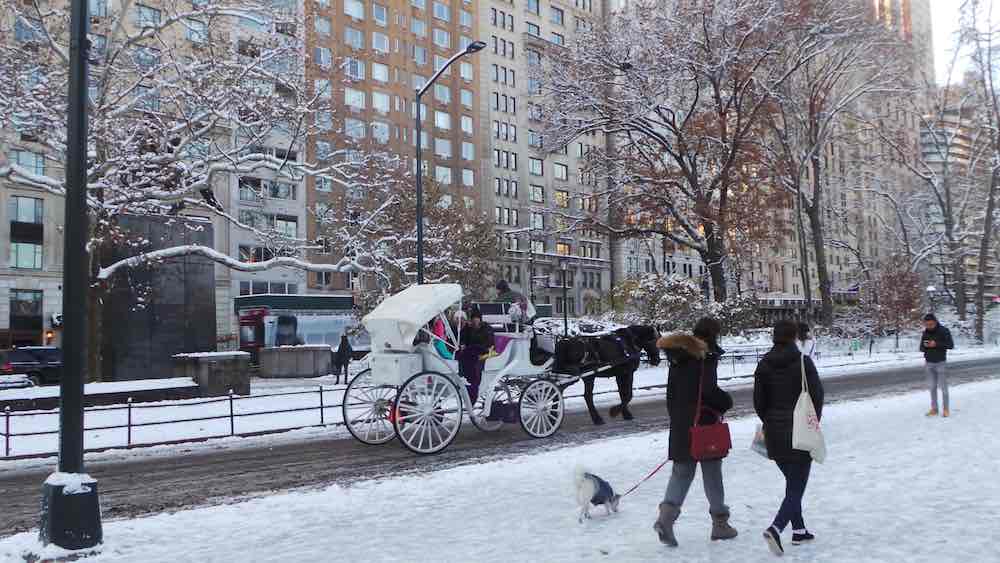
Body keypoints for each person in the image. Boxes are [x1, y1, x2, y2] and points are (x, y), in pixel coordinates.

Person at [653, 318, 737, 547]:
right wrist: (726, 401)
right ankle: (720, 524)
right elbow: (709, 391)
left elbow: (672, 395)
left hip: (681, 424)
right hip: (704, 424)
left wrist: (680, 420)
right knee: (712, 474)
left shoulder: (678, 356)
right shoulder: (704, 357)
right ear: (713, 335)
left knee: (681, 473)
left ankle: (666, 518)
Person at [754, 320, 825, 556]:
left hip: (773, 432)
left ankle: (799, 530)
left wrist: (771, 420)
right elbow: (817, 396)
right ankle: (776, 528)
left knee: (792, 483)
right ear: (795, 337)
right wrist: (813, 423)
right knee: (796, 486)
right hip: (800, 431)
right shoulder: (804, 363)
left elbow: (758, 402)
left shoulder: (763, 364)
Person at [920, 313, 954, 417]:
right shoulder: (925, 332)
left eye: (931, 324)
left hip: (940, 362)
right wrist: (926, 346)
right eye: (927, 324)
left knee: (943, 387)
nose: (929, 326)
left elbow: (950, 345)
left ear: (935, 322)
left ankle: (946, 409)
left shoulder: (944, 331)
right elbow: (921, 348)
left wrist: (936, 344)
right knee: (932, 387)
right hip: (929, 362)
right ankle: (934, 409)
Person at [457, 308, 494, 402]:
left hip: (484, 352)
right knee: (462, 356)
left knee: (474, 362)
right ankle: (463, 379)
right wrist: (463, 344)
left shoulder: (487, 328)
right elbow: (463, 338)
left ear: (480, 319)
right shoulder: (468, 328)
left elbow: (489, 343)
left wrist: (473, 346)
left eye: (476, 319)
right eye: (473, 319)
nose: (474, 321)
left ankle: (474, 386)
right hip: (471, 351)